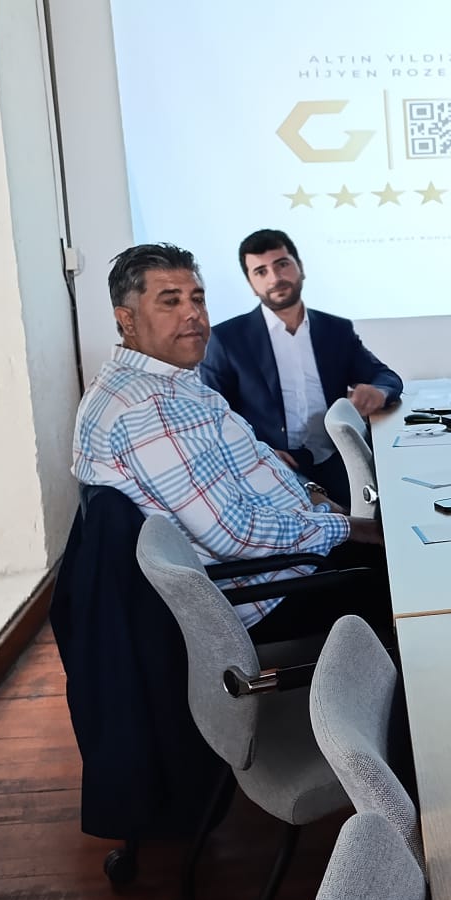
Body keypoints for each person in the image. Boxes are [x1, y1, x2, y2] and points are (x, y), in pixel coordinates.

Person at [74, 242, 384, 638]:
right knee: (413, 578)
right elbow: (234, 534)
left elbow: (248, 469)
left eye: (197, 298)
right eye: (170, 301)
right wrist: (347, 527)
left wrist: (313, 496)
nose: (193, 313)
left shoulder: (168, 383)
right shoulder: (146, 410)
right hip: (271, 591)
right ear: (127, 320)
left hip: (288, 558)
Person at [200, 228, 403, 500]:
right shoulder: (226, 340)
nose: (275, 278)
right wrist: (254, 451)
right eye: (261, 272)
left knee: (385, 504)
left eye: (282, 264)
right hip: (273, 465)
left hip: (338, 457)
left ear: (301, 267)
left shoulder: (335, 329)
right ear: (251, 284)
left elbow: (386, 377)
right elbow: (212, 416)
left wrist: (378, 392)